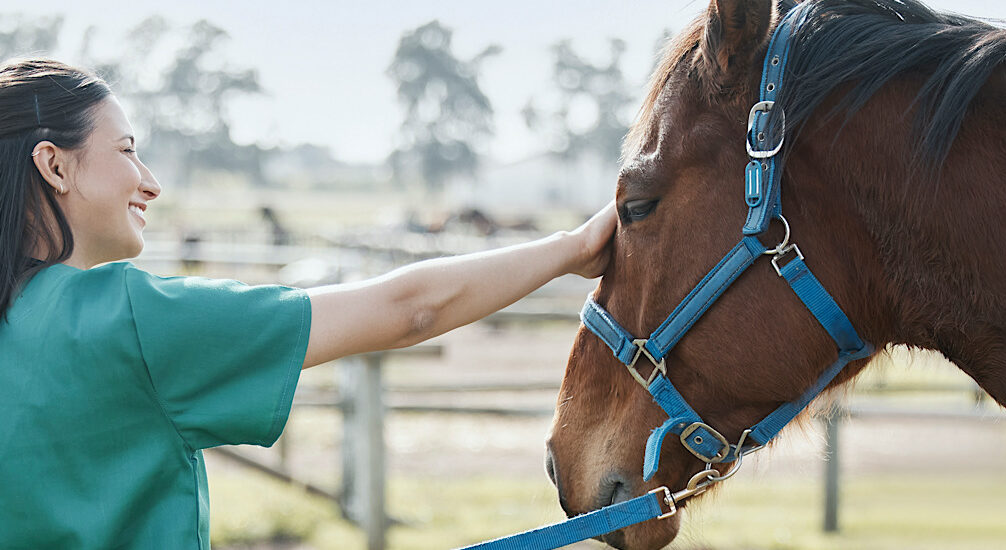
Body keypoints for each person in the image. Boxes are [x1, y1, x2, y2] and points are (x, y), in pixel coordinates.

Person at [0, 59, 618, 549]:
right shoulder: (131, 320)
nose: (151, 180)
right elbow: (411, 309)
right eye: (127, 149)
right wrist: (575, 246)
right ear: (53, 165)